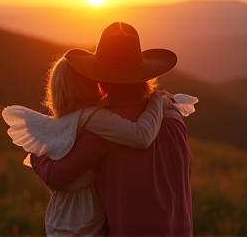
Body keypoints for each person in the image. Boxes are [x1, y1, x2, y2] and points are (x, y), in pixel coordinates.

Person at [31, 22, 194, 236]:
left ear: (101, 81)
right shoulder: (174, 116)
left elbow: (57, 177)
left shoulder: (105, 129)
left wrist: (36, 152)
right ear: (145, 74)